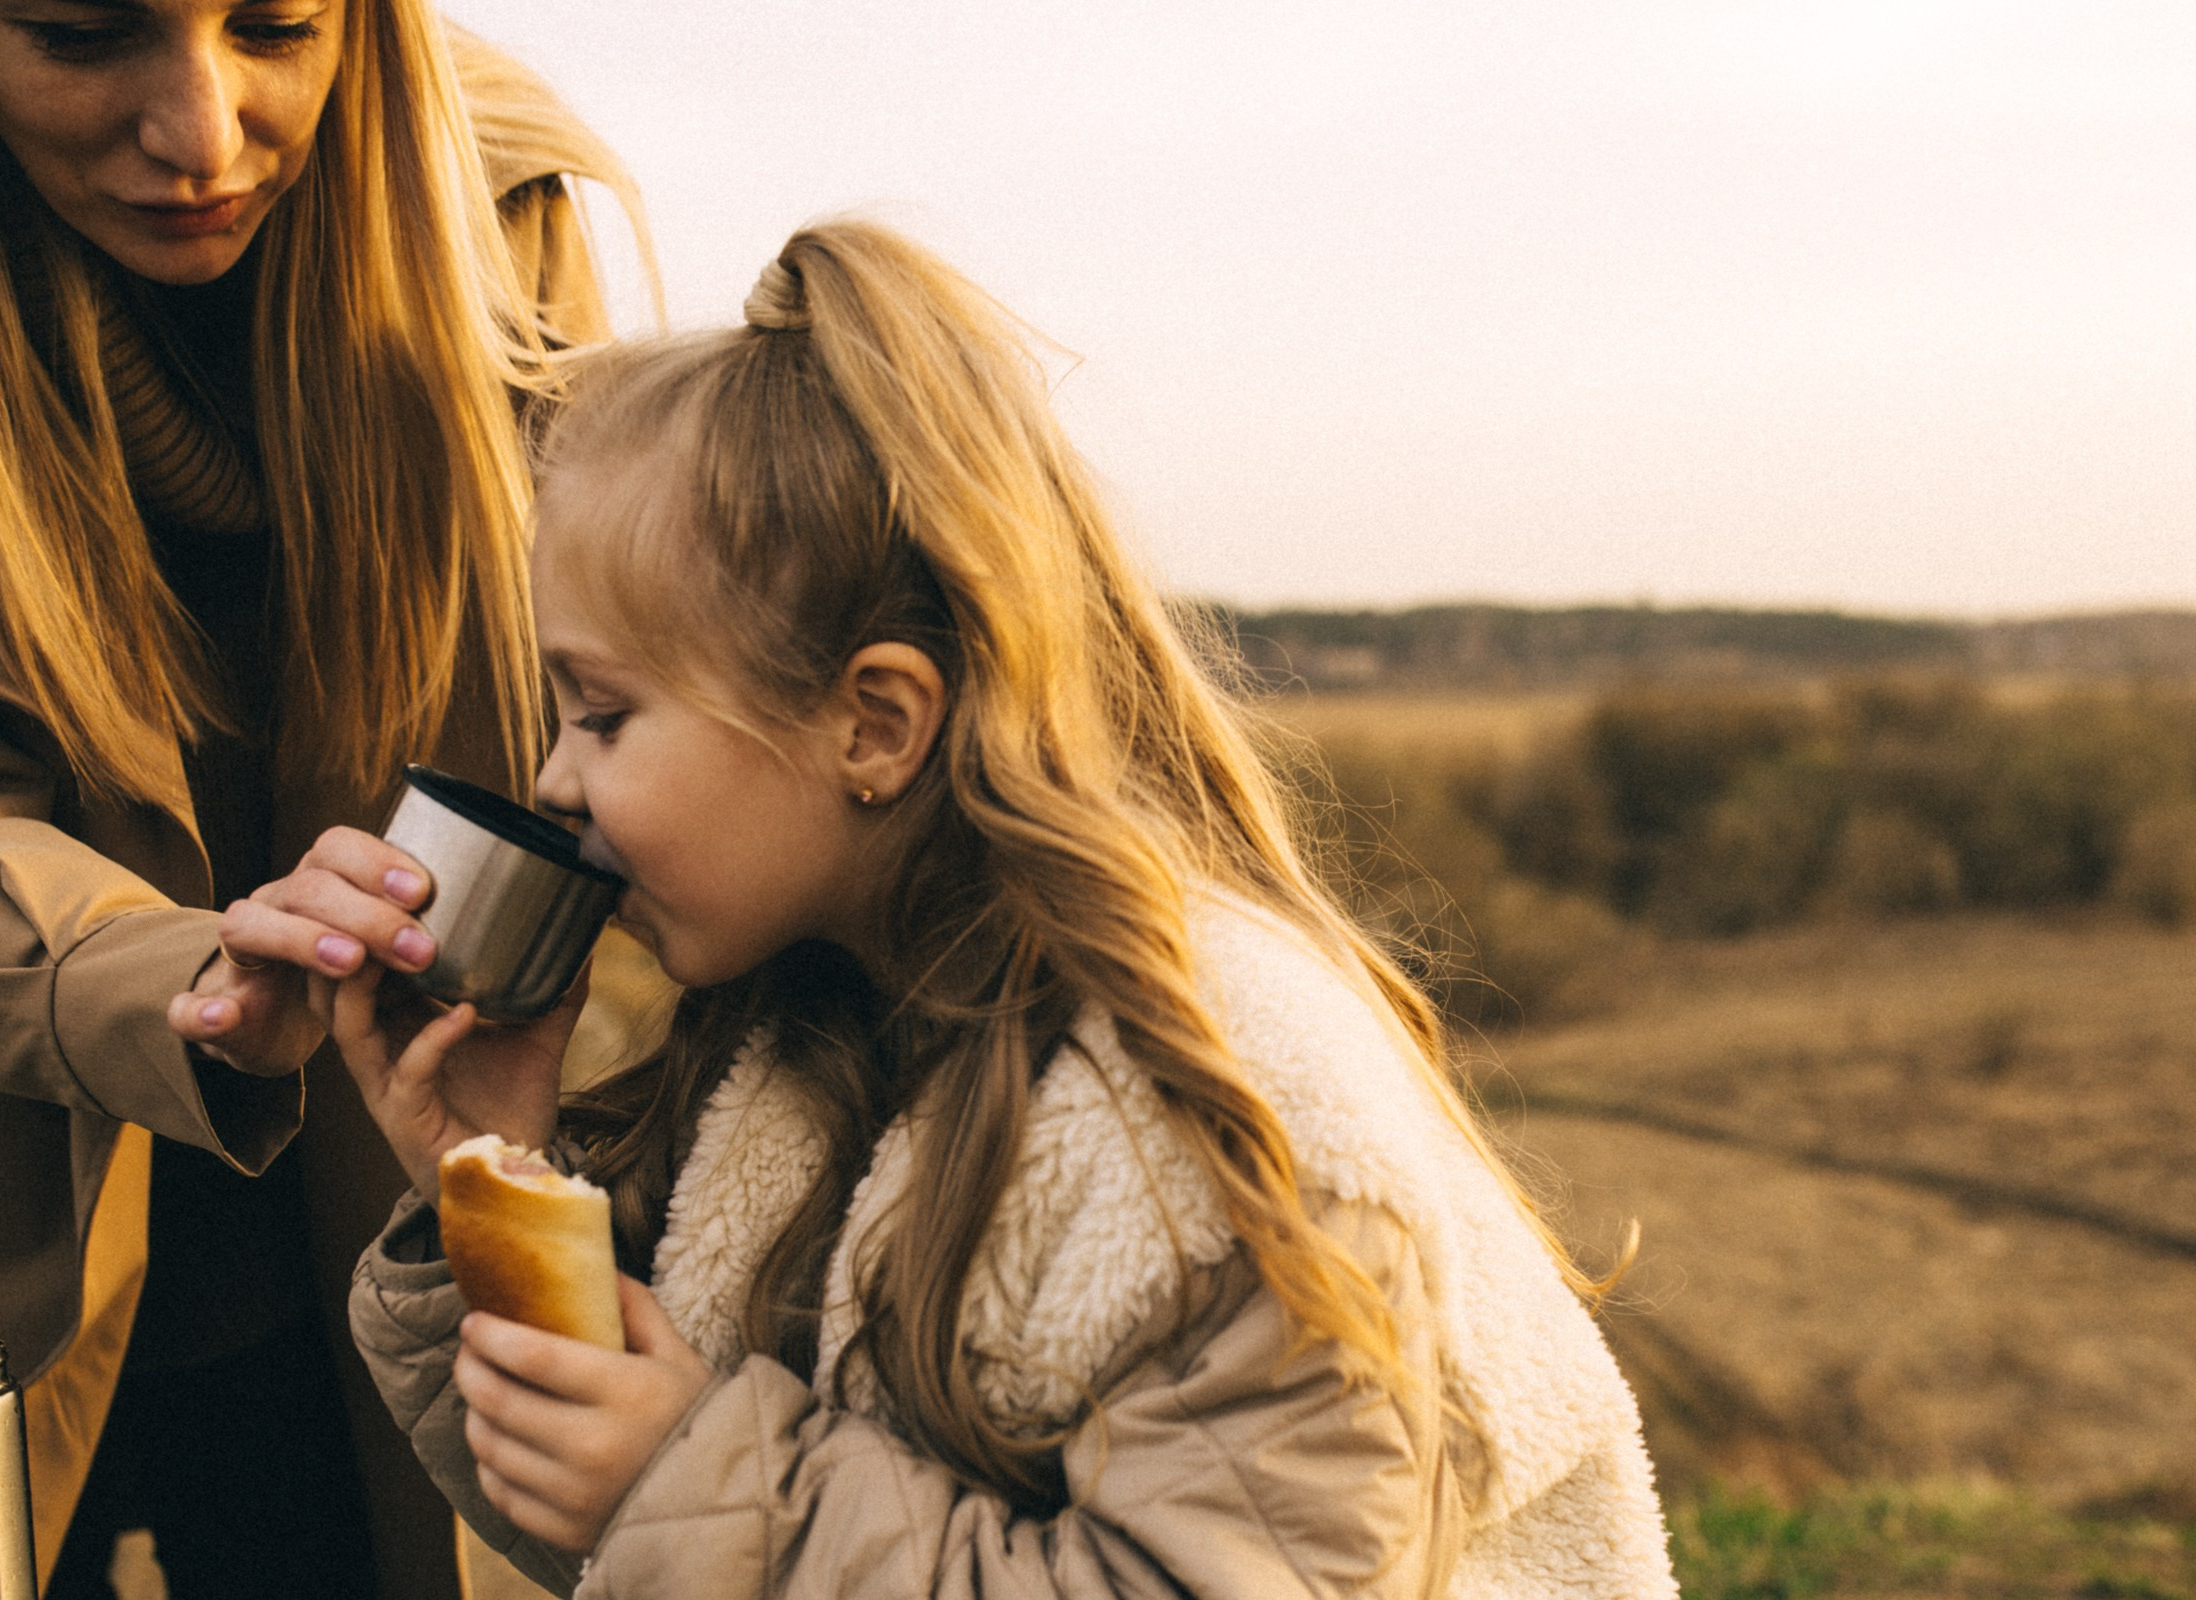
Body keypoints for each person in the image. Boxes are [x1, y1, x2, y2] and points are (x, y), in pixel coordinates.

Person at [260, 220, 1677, 1597]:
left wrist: (688, 1485)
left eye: (603, 714)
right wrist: (498, 1181)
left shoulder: (1225, 1116)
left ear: (873, 725)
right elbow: (602, 1535)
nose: (555, 782)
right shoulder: (806, 1030)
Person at [0, 0, 655, 1593]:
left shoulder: (508, 203)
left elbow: (614, 694)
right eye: (79, 33)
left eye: (279, 25)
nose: (205, 132)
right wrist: (181, 982)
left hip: (380, 1258)